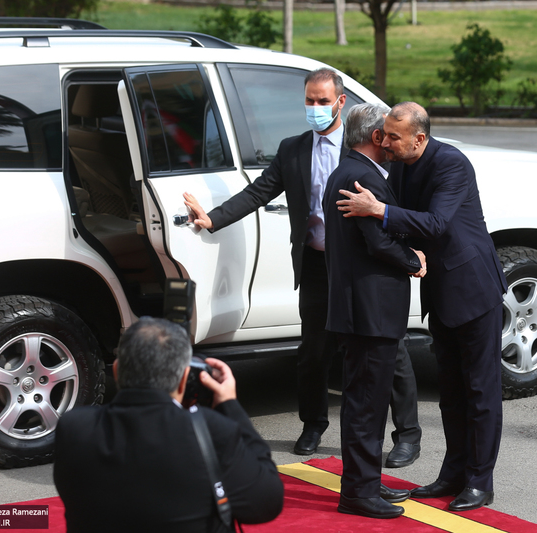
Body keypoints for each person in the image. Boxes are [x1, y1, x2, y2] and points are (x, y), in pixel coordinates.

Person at [182, 68, 422, 468]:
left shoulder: (368, 145)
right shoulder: (293, 149)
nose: (314, 107)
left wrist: (412, 250)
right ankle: (313, 424)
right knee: (313, 350)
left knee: (389, 348)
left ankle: (408, 435)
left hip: (363, 264)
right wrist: (213, 218)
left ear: (340, 102)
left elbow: (399, 198)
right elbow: (259, 191)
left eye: (322, 101)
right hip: (316, 263)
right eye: (309, 100)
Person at [336, 102, 508, 512]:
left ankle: (480, 481)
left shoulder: (451, 164)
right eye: (384, 135)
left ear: (420, 138)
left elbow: (434, 223)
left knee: (480, 390)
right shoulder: (400, 164)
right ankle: (453, 474)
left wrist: (378, 210)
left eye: (394, 137)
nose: (386, 143)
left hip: (473, 288)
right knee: (451, 391)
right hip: (440, 292)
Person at [53, 317, 283, 532]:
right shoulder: (209, 429)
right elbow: (266, 503)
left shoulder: (74, 428)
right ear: (183, 379)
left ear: (116, 370)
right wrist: (230, 405)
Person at [323, 103, 426, 519]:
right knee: (367, 404)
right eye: (387, 133)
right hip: (369, 311)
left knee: (364, 401)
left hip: (360, 309)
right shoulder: (362, 177)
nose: (391, 141)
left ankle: (364, 480)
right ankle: (358, 493)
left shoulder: (347, 171)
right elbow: (378, 241)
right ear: (375, 136)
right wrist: (413, 259)